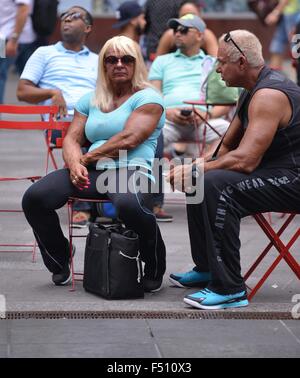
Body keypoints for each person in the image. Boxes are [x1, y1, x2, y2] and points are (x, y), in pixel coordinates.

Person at [22, 36, 167, 293]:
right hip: (92, 171)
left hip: (131, 169)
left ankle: (153, 262)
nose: (119, 64)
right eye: (111, 59)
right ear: (103, 65)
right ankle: (59, 257)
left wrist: (86, 158)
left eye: (126, 59)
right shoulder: (90, 99)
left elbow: (130, 138)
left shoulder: (149, 98)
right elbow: (72, 137)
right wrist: (75, 162)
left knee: (127, 204)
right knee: (35, 197)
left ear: (137, 64)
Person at [168, 29, 300, 310]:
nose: (216, 69)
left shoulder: (269, 95)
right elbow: (226, 147)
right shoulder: (249, 92)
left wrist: (201, 167)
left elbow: (246, 160)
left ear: (241, 62)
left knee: (217, 184)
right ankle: (207, 268)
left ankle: (230, 289)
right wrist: (192, 166)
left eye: (221, 62)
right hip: (276, 173)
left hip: (294, 179)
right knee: (200, 178)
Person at [17, 6, 98, 228]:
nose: (67, 20)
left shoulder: (98, 60)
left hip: (93, 119)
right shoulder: (44, 53)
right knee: (83, 142)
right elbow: (22, 91)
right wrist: (52, 92)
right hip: (60, 122)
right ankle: (83, 204)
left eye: (74, 17)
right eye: (64, 17)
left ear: (88, 28)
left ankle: (115, 200)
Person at [114, 0, 173, 222]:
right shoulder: (127, 48)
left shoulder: (138, 43)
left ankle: (152, 201)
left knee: (157, 138)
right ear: (134, 20)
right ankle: (153, 203)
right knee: (155, 139)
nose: (145, 20)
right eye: (142, 17)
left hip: (139, 107)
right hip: (124, 110)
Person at [149, 14, 231, 158]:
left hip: (205, 121)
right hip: (168, 121)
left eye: (184, 30)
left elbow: (226, 101)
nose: (178, 33)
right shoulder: (161, 61)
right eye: (175, 30)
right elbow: (152, 96)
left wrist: (207, 114)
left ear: (199, 36)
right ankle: (152, 177)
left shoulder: (213, 63)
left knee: (232, 132)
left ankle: (206, 168)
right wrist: (167, 112)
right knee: (147, 132)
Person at [0, 0, 37, 104]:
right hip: (5, 37)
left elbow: (23, 9)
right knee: (32, 78)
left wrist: (14, 39)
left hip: (12, 38)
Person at [265, 0, 300, 70]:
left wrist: (276, 13)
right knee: (279, 40)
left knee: (295, 44)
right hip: (287, 12)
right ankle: (274, 73)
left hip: (292, 13)